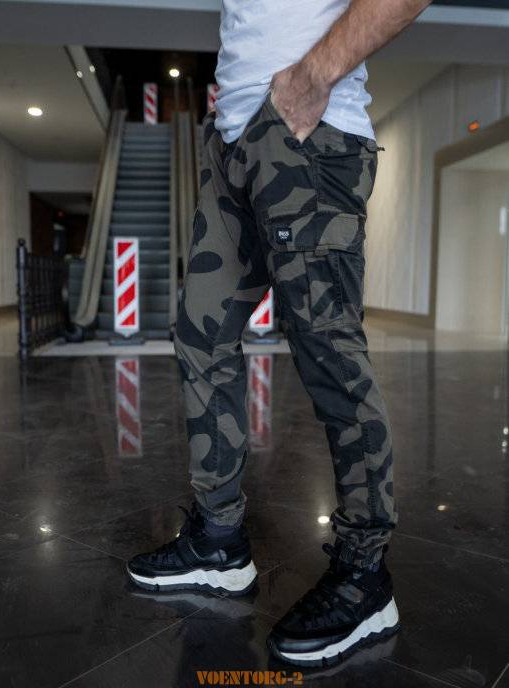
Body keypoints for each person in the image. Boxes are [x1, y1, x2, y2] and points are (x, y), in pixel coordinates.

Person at [128, 0, 431, 667]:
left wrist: (312, 76)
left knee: (328, 353)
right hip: (232, 142)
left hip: (308, 135)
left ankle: (365, 576)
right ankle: (220, 542)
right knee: (201, 335)